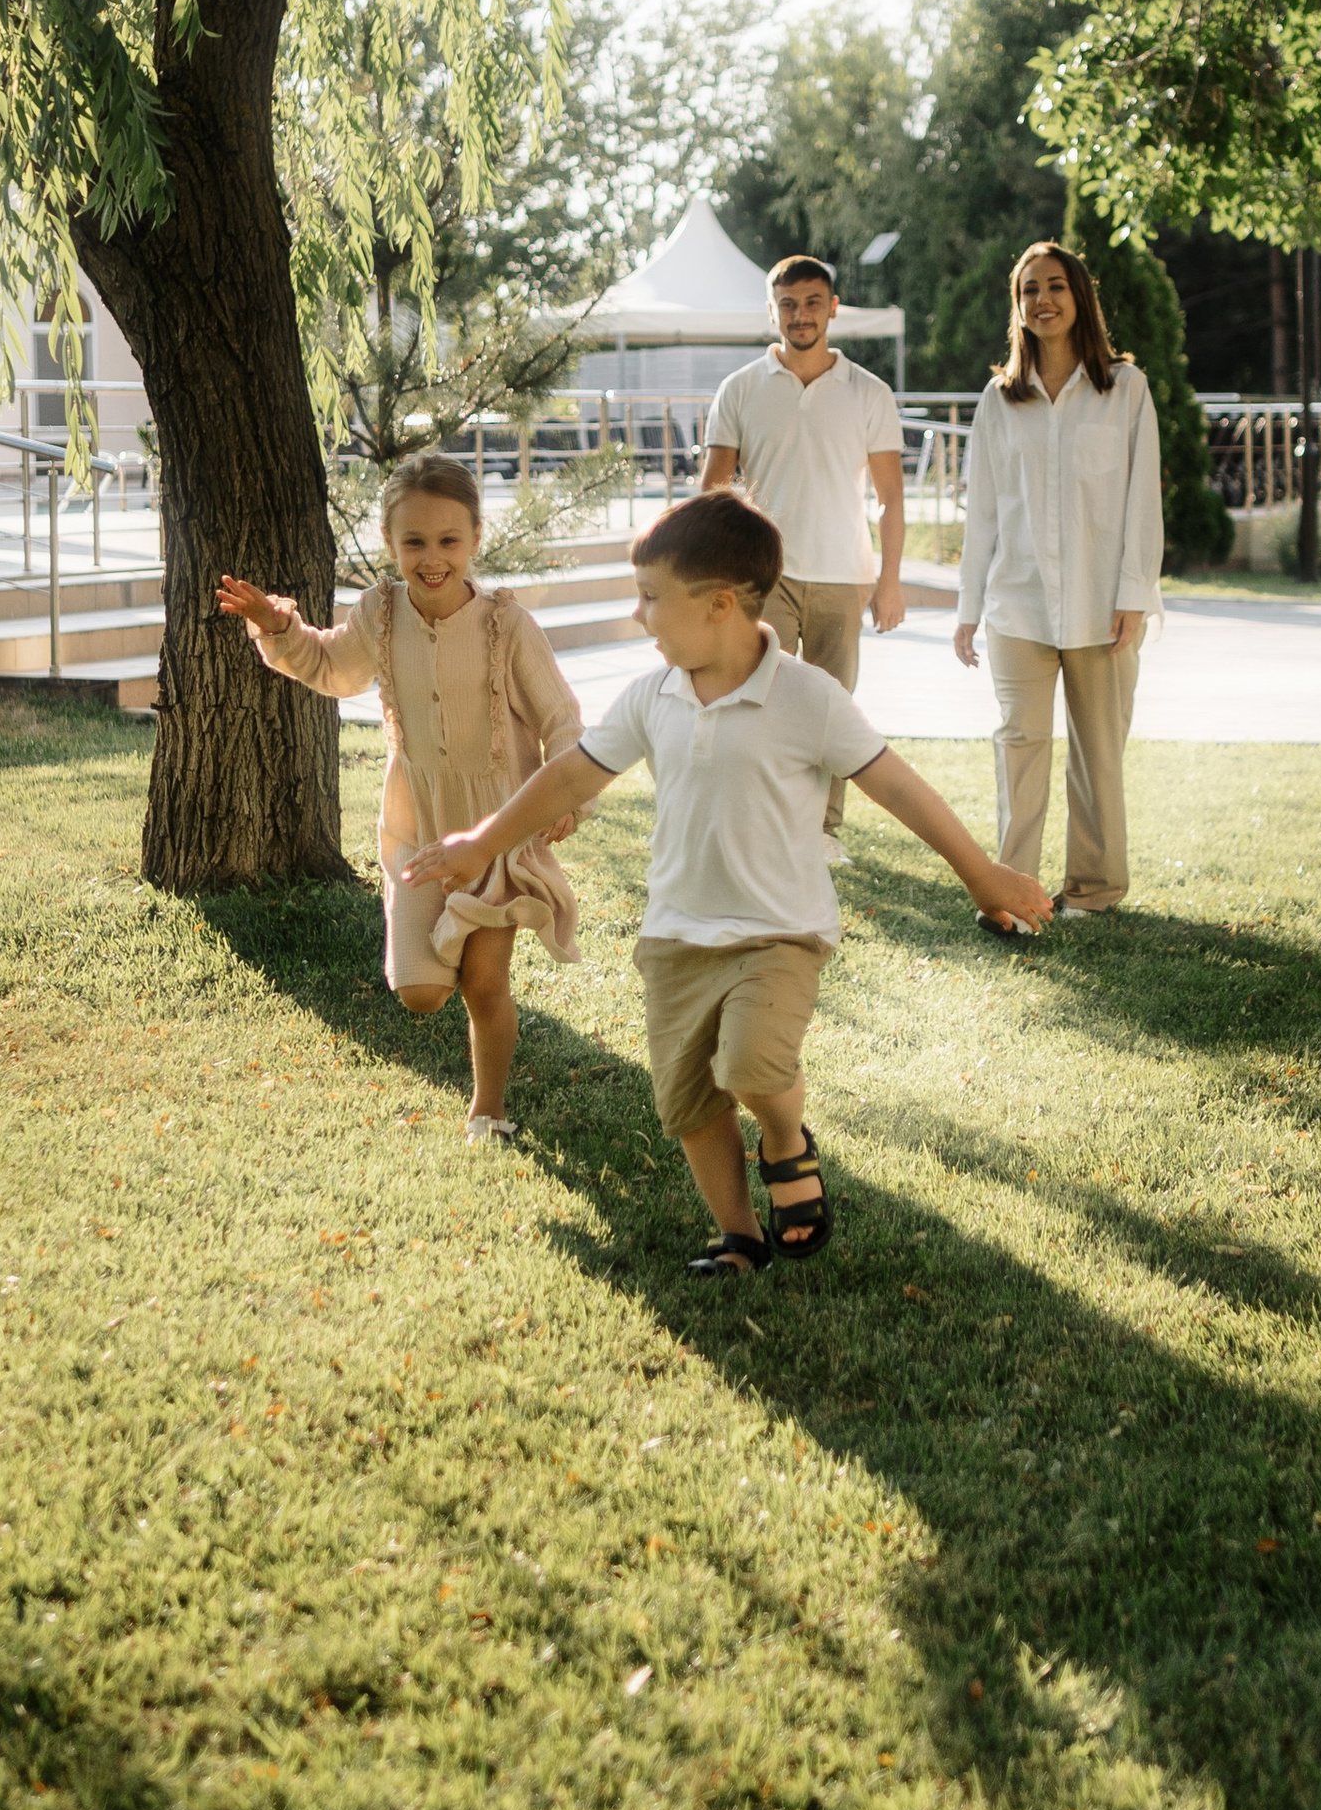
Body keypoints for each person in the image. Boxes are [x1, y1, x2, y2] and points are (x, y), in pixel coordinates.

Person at [409, 489, 1050, 1274]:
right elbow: (572, 776)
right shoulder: (653, 695)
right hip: (676, 934)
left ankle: (785, 1139)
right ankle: (739, 1236)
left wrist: (981, 876)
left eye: (651, 597)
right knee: (687, 1101)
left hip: (780, 932)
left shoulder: (807, 696)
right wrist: (482, 841)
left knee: (750, 1065)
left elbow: (897, 788)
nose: (639, 615)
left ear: (718, 604)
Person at [218, 451, 581, 1141]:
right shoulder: (381, 615)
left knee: (484, 983)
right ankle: (448, 934)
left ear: (475, 538)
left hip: (497, 832)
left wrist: (564, 797)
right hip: (418, 827)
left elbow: (562, 720)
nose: (432, 558)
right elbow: (329, 667)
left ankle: (488, 1110)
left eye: (448, 540)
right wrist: (276, 625)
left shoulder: (506, 626)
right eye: (414, 542)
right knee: (419, 993)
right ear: (390, 542)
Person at [952, 240, 1162, 928]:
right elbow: (983, 511)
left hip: (1103, 608)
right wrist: (968, 608)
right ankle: (1014, 894)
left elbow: (1142, 501)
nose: (1042, 300)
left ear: (1080, 297)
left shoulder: (1124, 389)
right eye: (1029, 290)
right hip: (1017, 605)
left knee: (1099, 756)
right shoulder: (999, 400)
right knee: (1019, 748)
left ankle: (1094, 890)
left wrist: (1134, 595)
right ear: (1017, 307)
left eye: (1055, 287)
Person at [700, 252, 905, 836]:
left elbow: (891, 496)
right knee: (758, 701)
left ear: (833, 308)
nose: (801, 314)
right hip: (766, 576)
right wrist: (715, 576)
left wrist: (890, 581)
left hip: (845, 575)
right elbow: (714, 492)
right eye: (788, 304)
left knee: (831, 709)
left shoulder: (869, 392)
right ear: (772, 311)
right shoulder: (739, 389)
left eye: (813, 302)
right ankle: (761, 824)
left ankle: (822, 831)